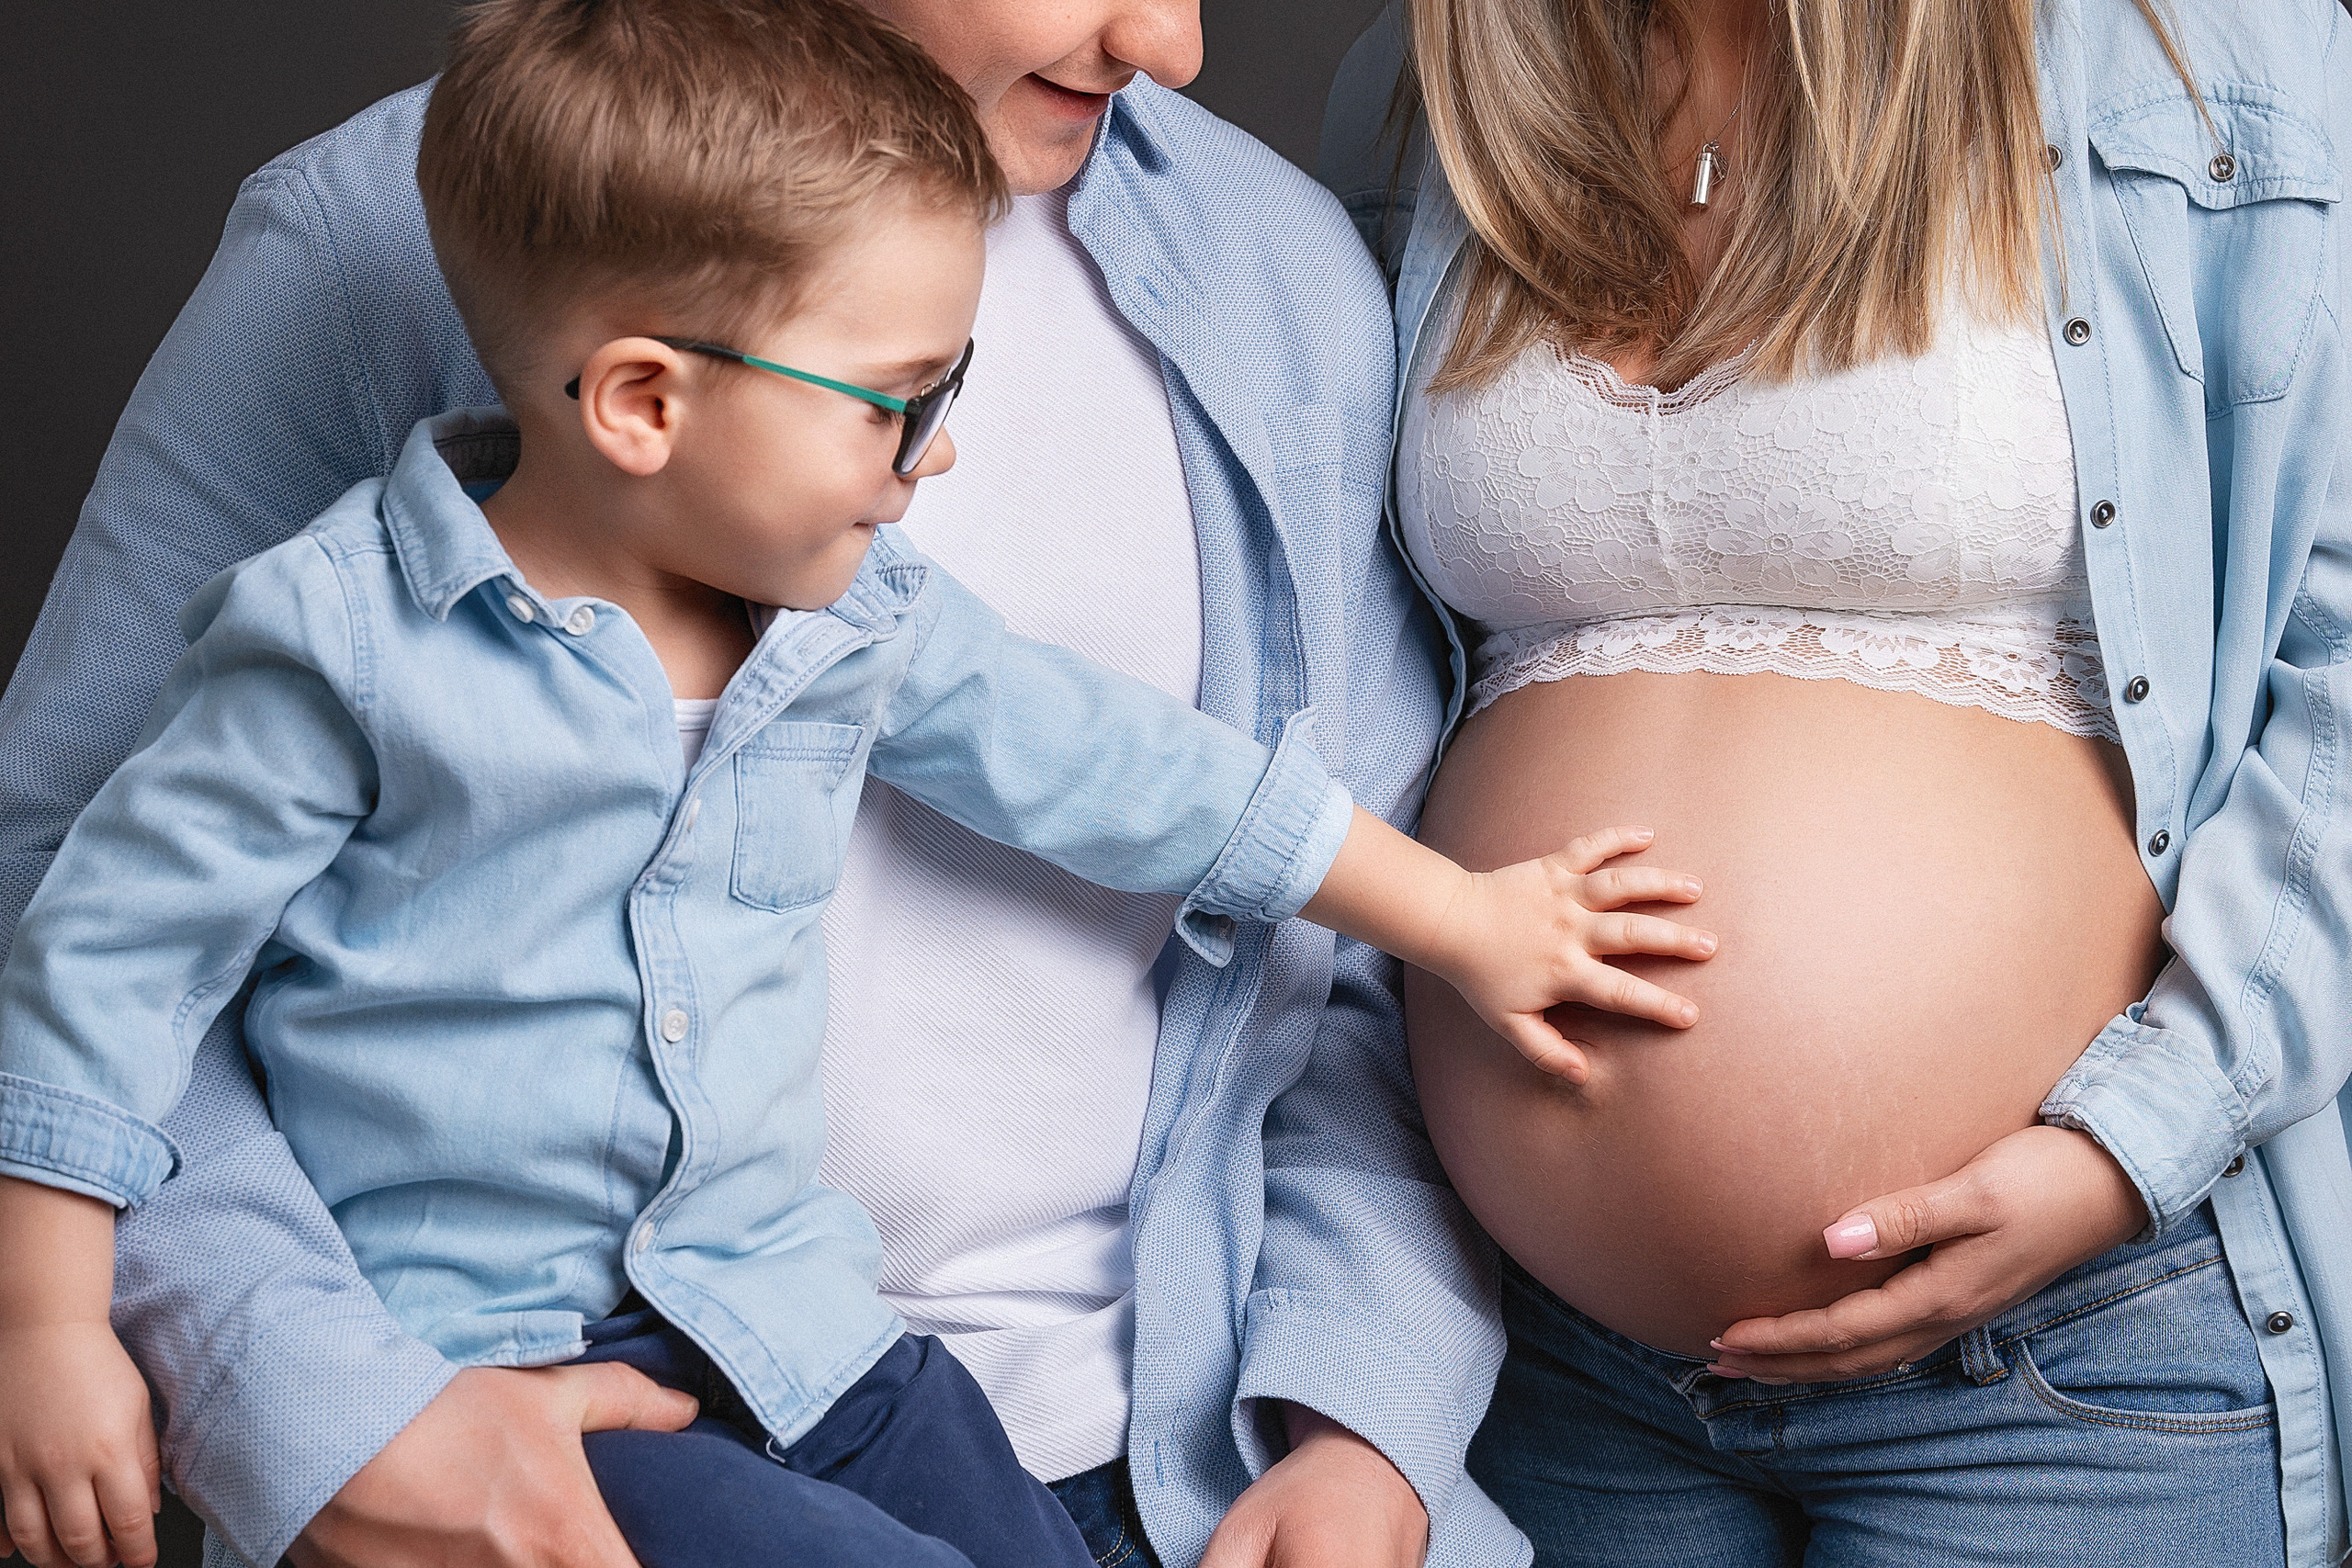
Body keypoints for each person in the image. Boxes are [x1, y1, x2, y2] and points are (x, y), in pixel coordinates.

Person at [0, 6, 1727, 1568]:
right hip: (533, 1418)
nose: (1177, 44)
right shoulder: (389, 327)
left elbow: (1168, 804)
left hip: (1046, 1424)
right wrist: (275, 1396)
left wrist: (1368, 1409)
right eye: (902, 404)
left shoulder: (1266, 282)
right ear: (633, 402)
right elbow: (85, 918)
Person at [1320, 0, 2350, 1562]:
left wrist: (2129, 1144)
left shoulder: (2201, 55)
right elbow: (1347, 711)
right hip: (1547, 1371)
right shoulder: (1435, 93)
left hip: (2060, 1375)